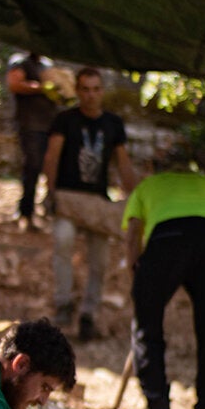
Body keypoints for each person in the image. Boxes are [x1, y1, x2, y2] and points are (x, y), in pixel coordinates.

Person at [123, 167, 205, 409]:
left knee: (147, 327)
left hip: (167, 237)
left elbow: (133, 235)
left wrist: (139, 284)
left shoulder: (146, 186)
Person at [43, 67, 136, 341]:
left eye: (96, 89)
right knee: (63, 242)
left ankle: (88, 314)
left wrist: (135, 196)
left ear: (102, 91)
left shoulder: (113, 123)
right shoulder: (64, 120)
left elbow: (123, 163)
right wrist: (50, 192)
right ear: (77, 91)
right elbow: (52, 156)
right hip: (67, 199)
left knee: (100, 261)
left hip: (97, 202)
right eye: (85, 89)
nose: (91, 95)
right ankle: (63, 304)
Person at [6, 51, 57, 231]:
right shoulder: (20, 62)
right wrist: (41, 88)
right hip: (30, 125)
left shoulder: (47, 64)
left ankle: (50, 208)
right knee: (33, 167)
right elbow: (14, 84)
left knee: (52, 168)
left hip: (51, 125)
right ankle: (26, 212)